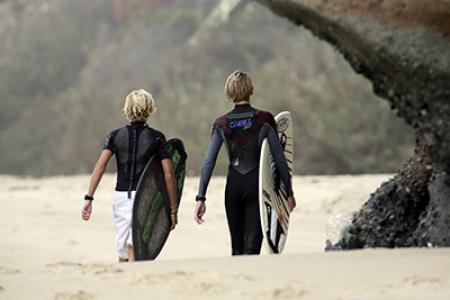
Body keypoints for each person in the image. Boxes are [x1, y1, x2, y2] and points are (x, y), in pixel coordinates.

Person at [194, 70, 296, 255]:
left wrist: (201, 197)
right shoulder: (265, 119)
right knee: (252, 247)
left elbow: (209, 162)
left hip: (233, 186)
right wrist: (288, 192)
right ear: (251, 90)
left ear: (228, 92)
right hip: (256, 187)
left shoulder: (221, 123)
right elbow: (280, 159)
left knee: (236, 248)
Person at [81, 89, 178, 262]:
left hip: (121, 198)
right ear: (149, 109)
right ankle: (135, 282)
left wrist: (89, 197)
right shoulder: (156, 138)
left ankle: (123, 284)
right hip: (145, 197)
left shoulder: (115, 136)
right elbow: (169, 174)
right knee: (136, 246)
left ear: (126, 109)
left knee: (123, 251)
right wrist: (173, 209)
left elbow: (100, 165)